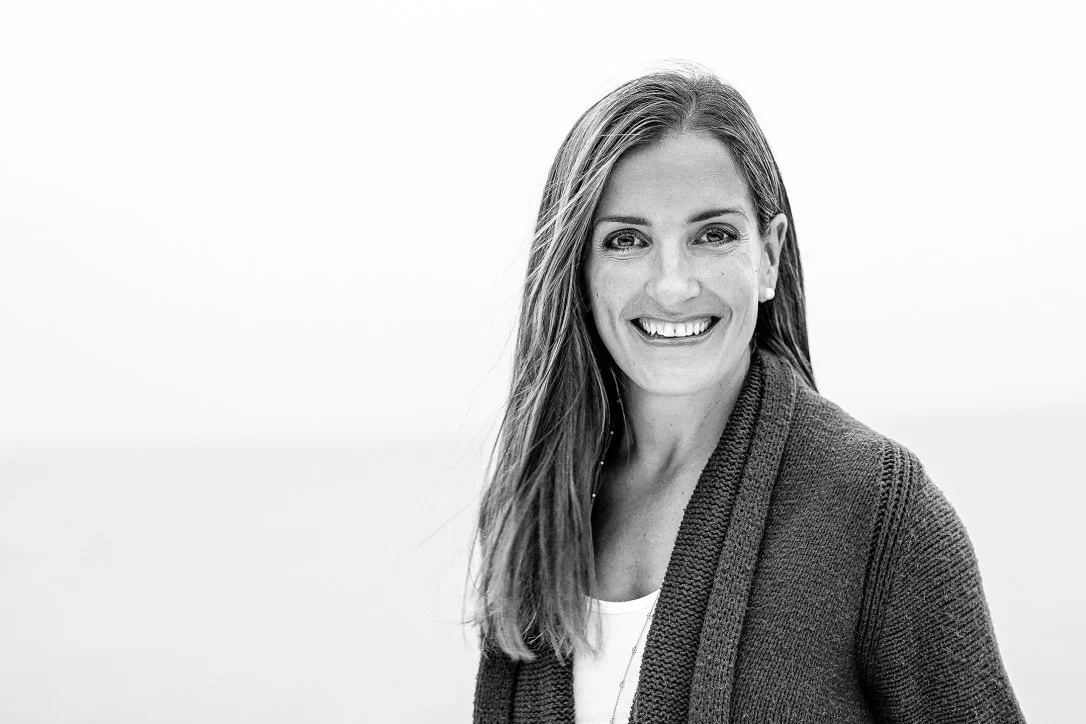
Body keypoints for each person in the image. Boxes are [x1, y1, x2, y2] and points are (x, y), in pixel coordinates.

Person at [468, 64, 1026, 723]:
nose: (672, 284)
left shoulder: (875, 509)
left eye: (712, 235)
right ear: (579, 271)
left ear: (769, 255)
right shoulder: (545, 509)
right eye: (627, 240)